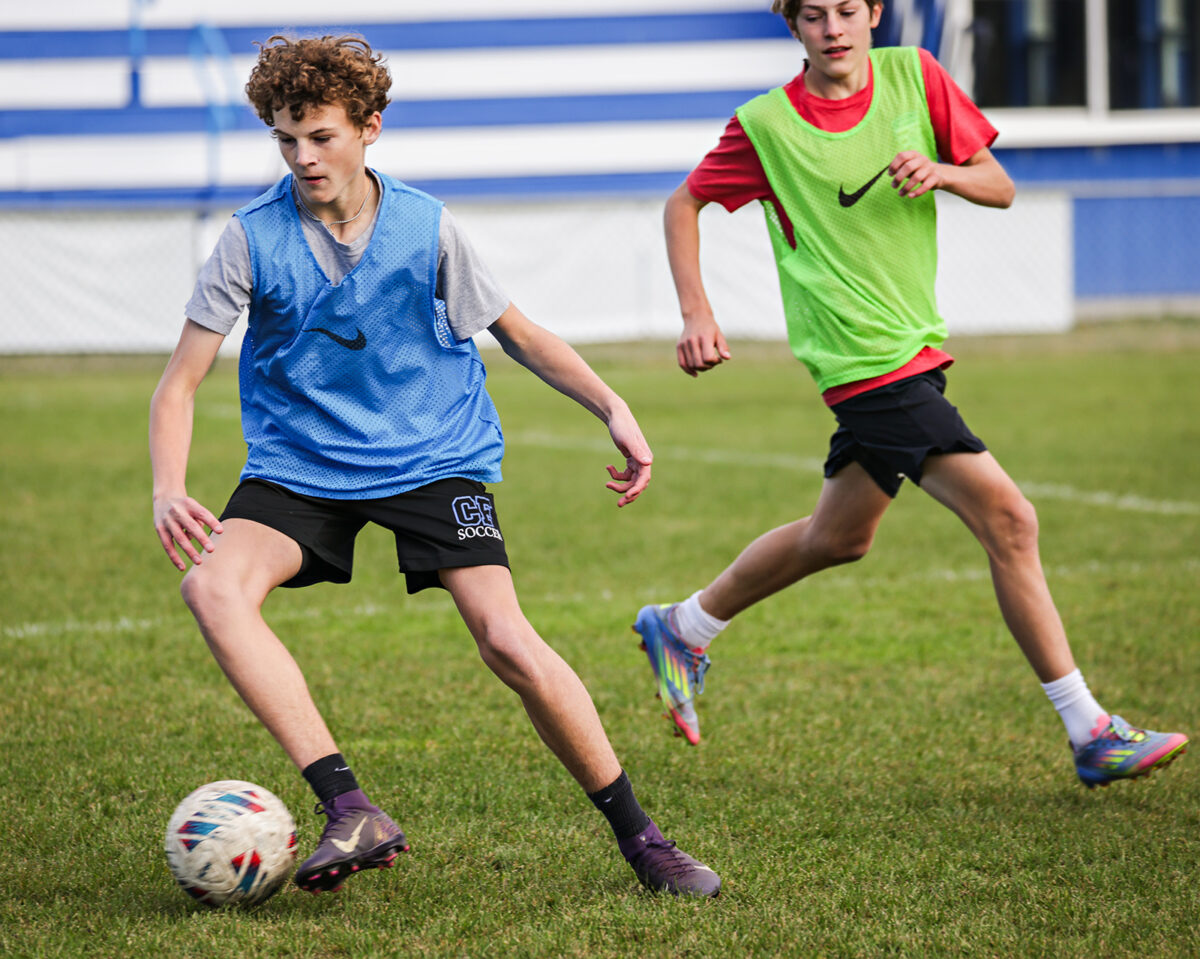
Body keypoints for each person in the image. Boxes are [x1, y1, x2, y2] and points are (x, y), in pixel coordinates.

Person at [150, 34, 719, 898]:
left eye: (322, 136)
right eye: (286, 140)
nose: (303, 158)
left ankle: (644, 839)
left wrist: (613, 406)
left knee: (506, 639)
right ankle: (349, 807)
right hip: (302, 461)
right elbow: (180, 382)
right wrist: (168, 487)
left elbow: (519, 334)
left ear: (369, 127)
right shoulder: (251, 239)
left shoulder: (426, 226)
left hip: (432, 453)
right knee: (212, 587)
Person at [634, 0, 1188, 789]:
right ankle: (1090, 729)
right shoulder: (765, 125)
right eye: (814, 15)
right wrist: (697, 313)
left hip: (915, 349)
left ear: (874, 13)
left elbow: (999, 186)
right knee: (1011, 519)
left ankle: (683, 625)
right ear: (792, 25)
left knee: (839, 537)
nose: (833, 28)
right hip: (861, 362)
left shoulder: (916, 77)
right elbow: (683, 203)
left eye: (847, 10)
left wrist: (943, 171)